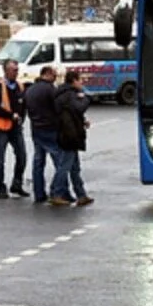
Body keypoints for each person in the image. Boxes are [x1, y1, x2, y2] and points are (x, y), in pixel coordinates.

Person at [53, 70, 94, 207]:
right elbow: (78, 108)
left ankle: (81, 195)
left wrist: (82, 121)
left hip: (67, 133)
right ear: (74, 81)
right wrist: (85, 99)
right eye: (80, 80)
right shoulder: (70, 95)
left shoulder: (62, 93)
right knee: (65, 166)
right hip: (69, 135)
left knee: (74, 167)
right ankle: (56, 193)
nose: (82, 83)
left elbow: (71, 114)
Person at [0, 58, 29, 199]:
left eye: (17, 69)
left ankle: (17, 184)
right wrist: (11, 115)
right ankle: (1, 187)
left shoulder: (19, 86)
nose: (16, 72)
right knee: (0, 159)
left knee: (22, 156)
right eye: (14, 70)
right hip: (1, 128)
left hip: (16, 127)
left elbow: (23, 104)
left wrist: (21, 118)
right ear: (6, 71)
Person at [23, 65, 63, 204]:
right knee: (60, 161)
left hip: (36, 128)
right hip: (50, 128)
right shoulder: (51, 89)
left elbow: (26, 108)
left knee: (38, 162)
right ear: (48, 74)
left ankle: (39, 193)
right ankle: (57, 191)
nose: (55, 78)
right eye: (54, 75)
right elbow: (58, 108)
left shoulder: (30, 90)